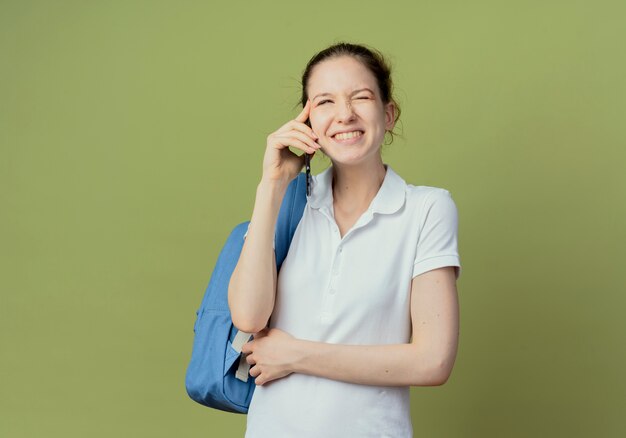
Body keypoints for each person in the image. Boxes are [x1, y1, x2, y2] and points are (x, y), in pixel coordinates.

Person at [228, 42, 461, 438]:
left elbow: (432, 362)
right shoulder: (287, 204)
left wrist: (296, 355)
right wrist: (272, 184)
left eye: (361, 97)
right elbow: (249, 318)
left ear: (388, 114)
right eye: (324, 102)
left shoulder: (426, 209)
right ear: (307, 121)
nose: (344, 114)